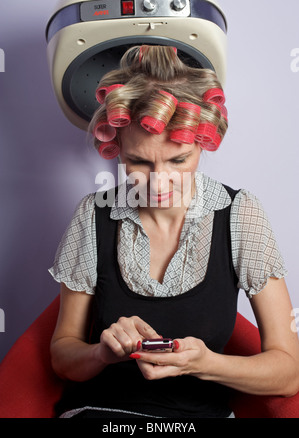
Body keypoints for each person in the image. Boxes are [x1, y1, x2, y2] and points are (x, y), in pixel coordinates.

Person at [49, 45, 299, 419]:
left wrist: (205, 364)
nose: (159, 181)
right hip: (102, 413)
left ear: (202, 143)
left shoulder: (240, 213)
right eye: (138, 161)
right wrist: (100, 352)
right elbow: (63, 357)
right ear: (116, 148)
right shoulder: (94, 213)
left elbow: (288, 374)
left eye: (178, 160)